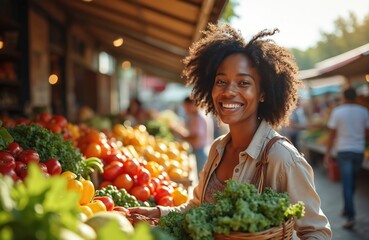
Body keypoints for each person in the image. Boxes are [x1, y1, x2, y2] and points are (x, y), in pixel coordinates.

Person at [129, 22, 332, 239]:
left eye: (244, 83)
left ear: (262, 93)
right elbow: (198, 209)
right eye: (221, 81)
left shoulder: (281, 158)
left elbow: (316, 231)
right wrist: (158, 212)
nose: (228, 91)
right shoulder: (217, 149)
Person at [323, 87, 369, 229]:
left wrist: (328, 153)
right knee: (352, 181)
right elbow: (367, 133)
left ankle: (350, 216)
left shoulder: (338, 111)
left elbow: (332, 134)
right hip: (359, 151)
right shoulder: (364, 111)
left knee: (347, 183)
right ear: (355, 96)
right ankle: (348, 210)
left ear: (343, 97)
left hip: (343, 151)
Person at [170, 96, 214, 176]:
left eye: (186, 107)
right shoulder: (197, 116)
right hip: (201, 149)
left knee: (202, 176)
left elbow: (195, 136)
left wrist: (181, 135)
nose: (185, 109)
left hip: (201, 150)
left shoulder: (198, 118)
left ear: (192, 105)